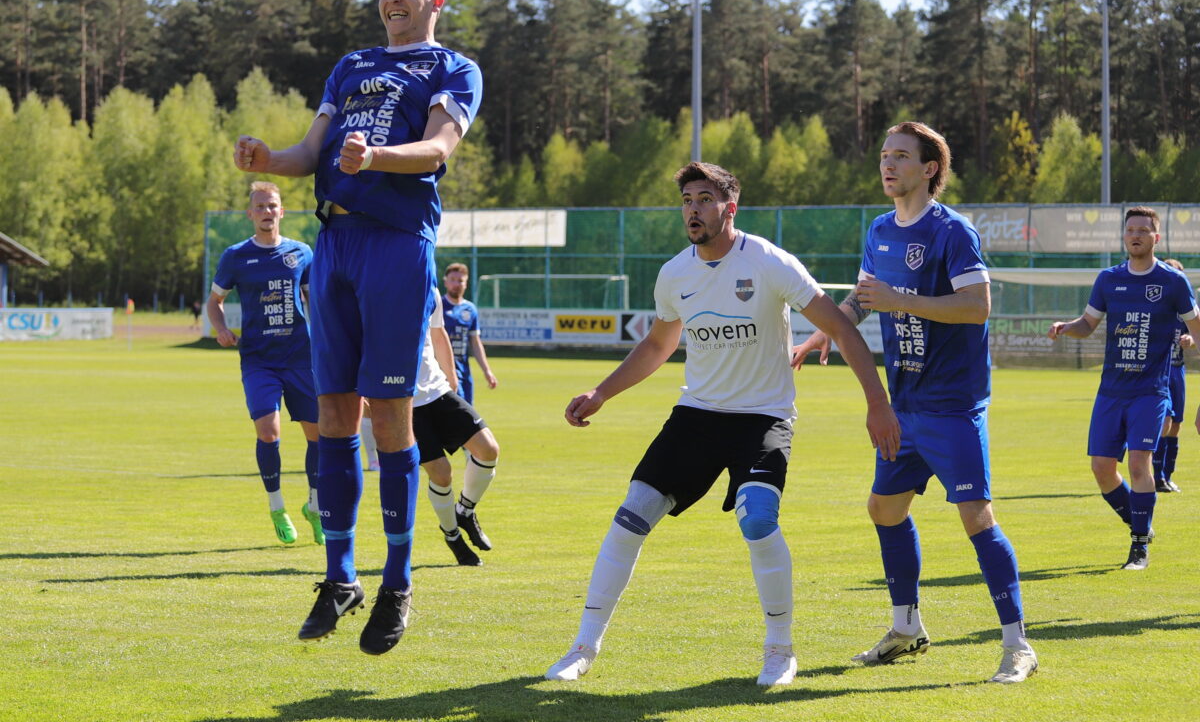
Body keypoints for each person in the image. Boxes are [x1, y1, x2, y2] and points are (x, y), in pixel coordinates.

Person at [544, 161, 900, 687]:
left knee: (758, 520)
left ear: (729, 207)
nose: (693, 209)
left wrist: (877, 403)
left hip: (763, 417)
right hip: (697, 416)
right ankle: (582, 647)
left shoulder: (770, 262)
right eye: (687, 199)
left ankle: (780, 651)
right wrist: (601, 392)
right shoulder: (675, 274)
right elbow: (658, 345)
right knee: (631, 514)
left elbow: (842, 329)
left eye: (704, 199)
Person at [233, 0, 483, 656]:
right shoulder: (350, 64)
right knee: (336, 415)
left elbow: (437, 149)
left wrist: (373, 158)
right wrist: (266, 158)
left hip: (398, 245)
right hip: (334, 245)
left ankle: (398, 581)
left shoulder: (452, 68)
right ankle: (340, 576)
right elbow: (312, 151)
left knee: (391, 419)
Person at [793, 121, 1037, 684]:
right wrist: (825, 331)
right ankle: (906, 628)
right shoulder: (879, 229)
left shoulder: (954, 232)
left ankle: (1017, 644)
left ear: (929, 169)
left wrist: (900, 298)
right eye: (884, 155)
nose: (888, 165)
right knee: (884, 509)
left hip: (953, 405)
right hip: (902, 404)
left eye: (901, 156)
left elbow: (976, 306)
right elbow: (861, 299)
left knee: (977, 518)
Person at [1049, 208, 1200, 570]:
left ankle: (1139, 548)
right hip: (1110, 391)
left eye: (1144, 231)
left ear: (1156, 238)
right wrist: (1066, 327)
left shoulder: (1173, 282)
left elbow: (1198, 327)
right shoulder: (1108, 279)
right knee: (1101, 468)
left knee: (1138, 463)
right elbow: (1088, 323)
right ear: (1124, 236)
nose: (1136, 235)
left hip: (1150, 391)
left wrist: (1191, 340)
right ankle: (1140, 524)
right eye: (1131, 229)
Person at [206, 182, 322, 547]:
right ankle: (277, 508)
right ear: (250, 214)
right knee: (269, 432)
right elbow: (215, 301)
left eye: (272, 205)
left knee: (318, 437)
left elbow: (314, 300)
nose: (267, 212)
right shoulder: (236, 256)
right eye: (260, 206)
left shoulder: (301, 252)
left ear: (282, 211)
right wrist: (221, 328)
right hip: (259, 361)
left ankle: (316, 507)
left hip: (301, 359)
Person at [414, 288, 500, 566]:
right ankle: (452, 536)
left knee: (488, 449)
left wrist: (451, 376)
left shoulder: (430, 289)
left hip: (438, 389)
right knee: (441, 473)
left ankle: (465, 510)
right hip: (402, 398)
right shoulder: (378, 285)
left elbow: (438, 334)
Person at [1154, 259, 1192, 492]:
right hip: (1160, 372)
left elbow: (1196, 333)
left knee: (1176, 424)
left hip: (1178, 369)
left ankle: (1167, 475)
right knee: (1165, 422)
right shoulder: (1155, 305)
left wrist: (1191, 339)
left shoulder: (1186, 309)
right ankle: (1156, 476)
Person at [442, 263, 497, 404]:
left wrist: (487, 371)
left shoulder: (470, 309)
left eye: (460, 280)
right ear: (445, 282)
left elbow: (475, 342)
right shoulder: (437, 306)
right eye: (452, 279)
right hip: (440, 372)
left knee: (466, 413)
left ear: (466, 284)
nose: (456, 284)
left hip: (463, 371)